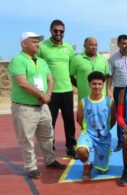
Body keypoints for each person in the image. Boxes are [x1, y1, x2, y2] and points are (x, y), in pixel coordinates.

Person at [9, 32, 66, 179]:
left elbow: (50, 79)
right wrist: (42, 95)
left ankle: (50, 160)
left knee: (48, 135)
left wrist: (47, 94)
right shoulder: (18, 60)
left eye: (38, 42)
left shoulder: (41, 61)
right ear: (24, 44)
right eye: (34, 41)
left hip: (42, 106)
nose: (37, 44)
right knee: (26, 139)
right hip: (25, 108)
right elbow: (23, 83)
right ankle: (31, 167)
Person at [37, 19, 77, 158]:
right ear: (50, 31)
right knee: (49, 122)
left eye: (61, 31)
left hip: (66, 90)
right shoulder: (42, 47)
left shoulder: (69, 48)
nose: (58, 33)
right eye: (56, 30)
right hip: (50, 92)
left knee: (69, 121)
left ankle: (71, 147)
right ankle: (50, 150)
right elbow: (36, 67)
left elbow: (72, 69)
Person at [75, 71, 116, 181]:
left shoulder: (109, 102)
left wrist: (105, 131)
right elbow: (79, 120)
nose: (97, 86)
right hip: (88, 134)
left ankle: (99, 164)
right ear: (89, 85)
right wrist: (87, 130)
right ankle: (87, 165)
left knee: (102, 171)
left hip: (103, 137)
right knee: (81, 151)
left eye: (99, 84)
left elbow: (113, 120)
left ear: (103, 85)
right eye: (94, 84)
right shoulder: (83, 102)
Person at [70, 37, 109, 101]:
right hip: (84, 98)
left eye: (96, 45)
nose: (94, 47)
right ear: (84, 46)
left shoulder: (103, 59)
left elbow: (106, 75)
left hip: (101, 99)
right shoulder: (77, 59)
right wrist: (80, 85)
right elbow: (71, 76)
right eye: (91, 45)